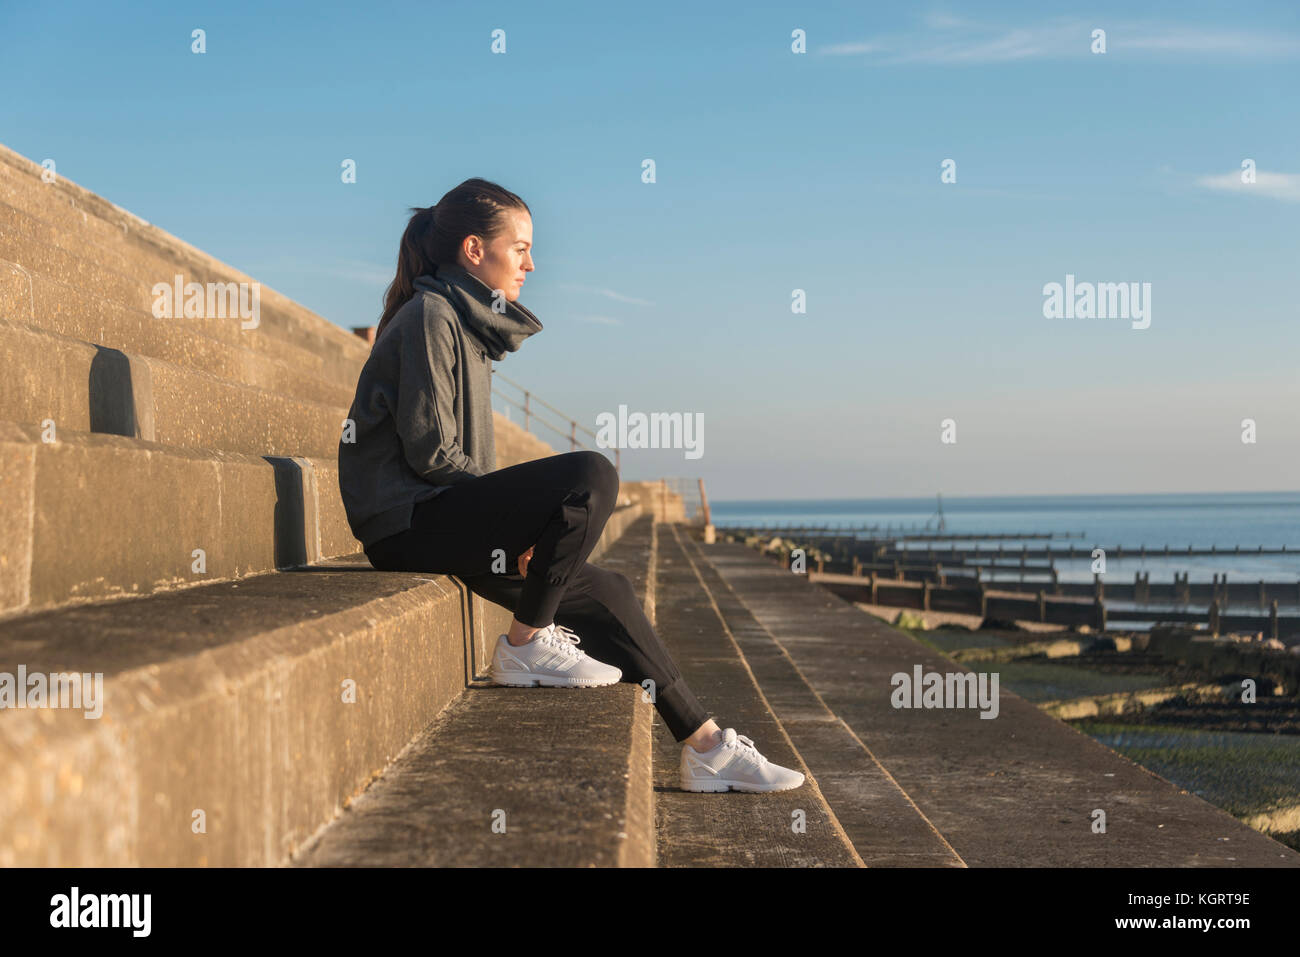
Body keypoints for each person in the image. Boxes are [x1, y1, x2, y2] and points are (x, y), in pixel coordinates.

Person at [337, 177, 804, 793]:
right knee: (592, 474)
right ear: (475, 250)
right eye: (521, 247)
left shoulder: (464, 325)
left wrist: (516, 529)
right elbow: (431, 451)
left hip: (440, 516)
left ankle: (707, 746)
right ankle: (526, 644)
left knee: (610, 591)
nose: (531, 263)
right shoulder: (431, 315)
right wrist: (520, 525)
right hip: (407, 524)